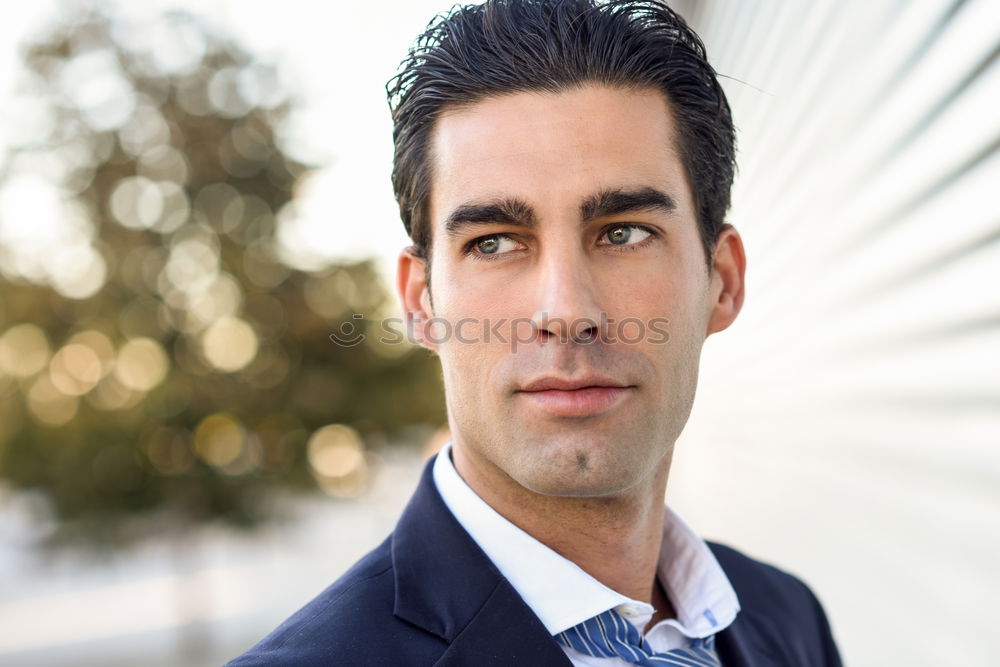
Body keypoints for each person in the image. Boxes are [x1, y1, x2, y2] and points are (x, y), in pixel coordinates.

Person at [228, 1, 843, 665]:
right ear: (420, 301)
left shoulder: (787, 617)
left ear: (721, 281)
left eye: (625, 232)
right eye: (494, 242)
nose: (565, 309)